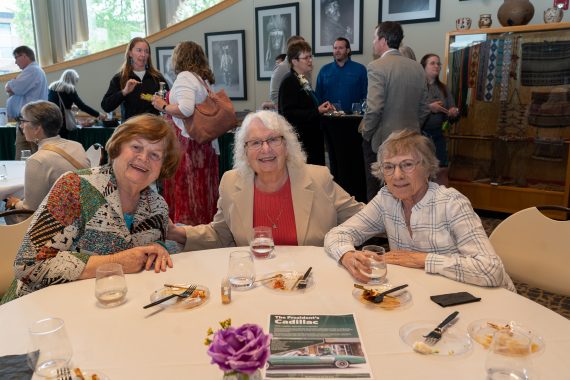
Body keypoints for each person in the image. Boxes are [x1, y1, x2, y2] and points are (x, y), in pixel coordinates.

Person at [1, 114, 181, 303]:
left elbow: (148, 251)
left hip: (111, 307)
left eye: (155, 155)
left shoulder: (157, 207)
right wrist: (115, 262)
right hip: (40, 309)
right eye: (136, 147)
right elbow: (28, 265)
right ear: (118, 146)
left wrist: (158, 248)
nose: (143, 158)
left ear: (163, 166)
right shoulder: (75, 187)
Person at [325, 129, 515, 291]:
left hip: (487, 300)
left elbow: (491, 270)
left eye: (407, 165)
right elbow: (337, 234)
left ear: (427, 167)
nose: (397, 175)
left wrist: (423, 260)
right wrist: (347, 256)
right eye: (389, 167)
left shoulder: (451, 203)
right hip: (431, 294)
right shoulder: (386, 199)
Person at [167, 110, 363, 250]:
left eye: (273, 140)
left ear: (287, 145)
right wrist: (179, 233)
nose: (266, 149)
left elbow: (364, 218)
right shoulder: (231, 183)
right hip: (257, 285)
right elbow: (221, 234)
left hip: (310, 284)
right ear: (245, 151)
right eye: (256, 143)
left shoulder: (318, 178)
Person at [151, 41, 219, 225]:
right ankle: (202, 228)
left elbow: (186, 109)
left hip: (187, 146)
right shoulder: (199, 79)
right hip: (201, 144)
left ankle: (186, 232)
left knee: (187, 191)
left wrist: (162, 105)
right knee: (201, 190)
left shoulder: (185, 78)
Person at [361, 22, 429, 201]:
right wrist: (411, 130)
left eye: (374, 38)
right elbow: (424, 108)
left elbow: (374, 108)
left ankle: (380, 229)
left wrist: (366, 133)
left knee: (378, 195)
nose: (373, 42)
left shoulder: (377, 66)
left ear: (383, 41)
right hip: (411, 141)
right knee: (408, 191)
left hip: (383, 143)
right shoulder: (417, 68)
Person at [4, 100, 90, 214]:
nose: (21, 126)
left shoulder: (37, 159)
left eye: (24, 121)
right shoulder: (77, 145)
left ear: (37, 128)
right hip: (80, 213)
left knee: (9, 204)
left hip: (56, 222)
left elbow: (30, 209)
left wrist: (15, 203)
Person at [279, 41, 335, 166]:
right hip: (302, 142)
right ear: (294, 61)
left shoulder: (302, 79)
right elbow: (288, 114)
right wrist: (317, 111)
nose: (310, 60)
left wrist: (320, 107)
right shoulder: (289, 82)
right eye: (306, 58)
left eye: (311, 56)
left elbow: (306, 105)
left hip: (312, 138)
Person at [101, 37, 169, 122]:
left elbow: (169, 103)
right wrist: (124, 92)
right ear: (130, 53)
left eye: (146, 51)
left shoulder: (157, 77)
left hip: (154, 129)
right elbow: (106, 106)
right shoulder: (119, 78)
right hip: (130, 130)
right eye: (139, 50)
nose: (143, 55)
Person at [421, 53, 460, 187]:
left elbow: (452, 111)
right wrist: (429, 108)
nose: (436, 66)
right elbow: (410, 108)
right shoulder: (418, 87)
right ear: (423, 67)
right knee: (421, 172)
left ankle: (442, 203)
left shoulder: (444, 88)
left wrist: (453, 112)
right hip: (420, 136)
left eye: (438, 64)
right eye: (432, 63)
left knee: (442, 171)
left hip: (438, 136)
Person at [4, 46, 48, 160]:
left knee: (34, 157)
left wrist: (11, 84)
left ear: (24, 55)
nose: (15, 61)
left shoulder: (32, 70)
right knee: (22, 156)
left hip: (32, 120)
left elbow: (15, 88)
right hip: (26, 120)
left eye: (16, 57)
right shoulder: (31, 71)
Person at [48, 69, 105, 139]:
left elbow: (53, 103)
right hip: (63, 122)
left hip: (51, 120)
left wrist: (69, 106)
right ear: (73, 80)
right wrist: (98, 114)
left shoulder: (52, 87)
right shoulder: (69, 89)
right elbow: (82, 106)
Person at [315, 37, 367, 113]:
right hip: (328, 118)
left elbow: (366, 95)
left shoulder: (360, 69)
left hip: (353, 118)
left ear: (348, 50)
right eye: (335, 48)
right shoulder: (324, 70)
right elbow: (318, 96)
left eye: (341, 48)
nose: (337, 51)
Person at [269, 35, 308, 107]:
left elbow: (306, 90)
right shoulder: (282, 67)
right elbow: (274, 95)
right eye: (301, 46)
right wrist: (282, 112)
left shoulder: (302, 66)